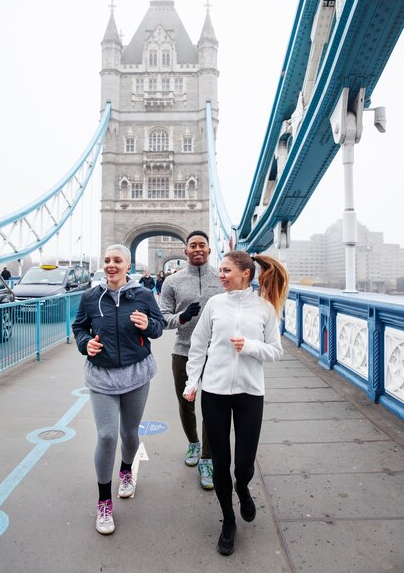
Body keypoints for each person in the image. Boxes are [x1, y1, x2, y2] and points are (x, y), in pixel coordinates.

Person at [183, 251, 289, 556]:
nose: (221, 275)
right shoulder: (215, 305)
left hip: (250, 393)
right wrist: (193, 383)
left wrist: (251, 346)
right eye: (221, 270)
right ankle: (228, 521)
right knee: (220, 462)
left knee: (243, 463)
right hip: (214, 392)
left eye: (227, 270)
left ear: (245, 273)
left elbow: (276, 350)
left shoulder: (265, 308)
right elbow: (198, 347)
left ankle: (242, 487)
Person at [72, 244, 166, 535]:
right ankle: (104, 501)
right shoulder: (90, 297)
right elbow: (78, 328)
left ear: (128, 265)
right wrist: (85, 344)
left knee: (129, 433)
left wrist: (148, 323)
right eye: (107, 260)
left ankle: (126, 470)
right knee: (107, 434)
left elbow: (159, 327)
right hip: (101, 376)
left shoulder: (143, 294)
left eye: (117, 260)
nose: (110, 265)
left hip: (136, 373)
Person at [159, 230, 223, 490]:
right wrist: (182, 318)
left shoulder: (222, 277)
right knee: (186, 403)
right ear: (185, 251)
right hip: (183, 351)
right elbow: (162, 318)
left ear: (209, 250)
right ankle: (193, 444)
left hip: (216, 353)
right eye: (192, 245)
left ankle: (207, 458)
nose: (197, 249)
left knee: (212, 407)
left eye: (202, 245)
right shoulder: (172, 282)